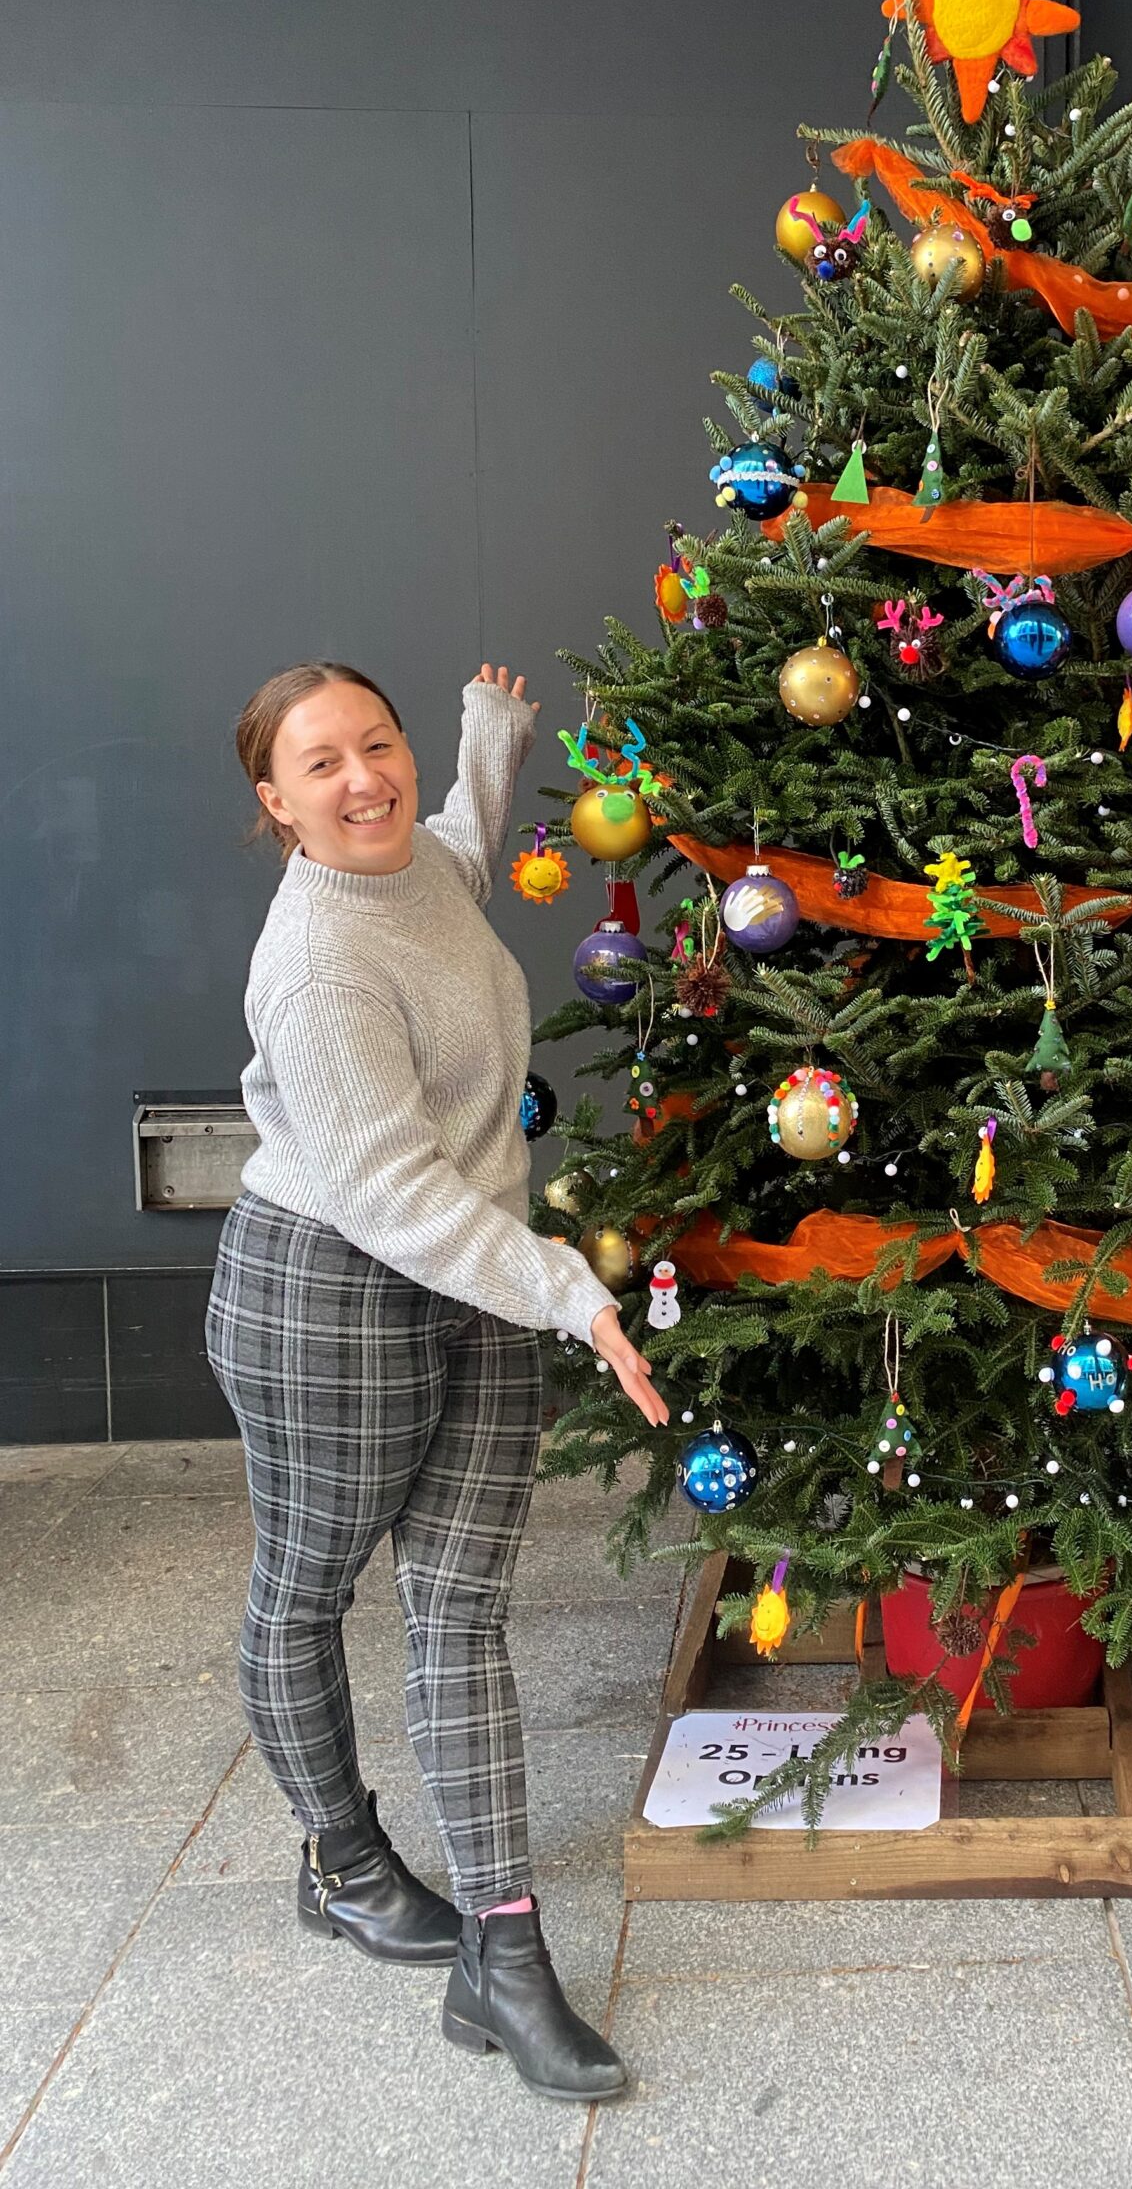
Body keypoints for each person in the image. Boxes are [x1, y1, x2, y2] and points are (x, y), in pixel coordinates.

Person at [208, 659, 668, 2103]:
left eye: (381, 745)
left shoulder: (417, 865)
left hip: (473, 1281)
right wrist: (572, 1294)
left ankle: (504, 1952)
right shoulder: (314, 962)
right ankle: (341, 1862)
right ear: (274, 804)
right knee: (310, 1587)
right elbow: (396, 1194)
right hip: (331, 1296)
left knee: (461, 1608)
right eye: (323, 765)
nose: (365, 781)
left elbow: (458, 849)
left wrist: (490, 739)